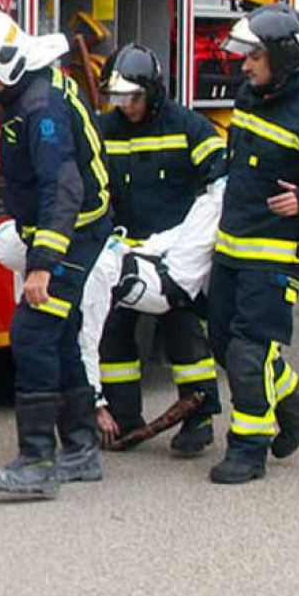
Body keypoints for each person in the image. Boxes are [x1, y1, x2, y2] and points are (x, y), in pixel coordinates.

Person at [0, 11, 109, 497]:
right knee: (57, 337)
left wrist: (42, 264)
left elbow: (64, 189)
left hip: (73, 232)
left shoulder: (40, 109)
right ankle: (80, 450)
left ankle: (37, 461)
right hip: (71, 229)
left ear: (5, 65)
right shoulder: (31, 92)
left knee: (33, 332)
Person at [204, 4, 299, 484]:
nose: (245, 64)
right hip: (233, 244)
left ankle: (248, 450)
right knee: (221, 340)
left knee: (249, 352)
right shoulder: (249, 97)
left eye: (254, 55)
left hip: (276, 255)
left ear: (280, 56)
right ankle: (297, 401)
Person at [93, 44, 225, 456]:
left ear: (153, 91)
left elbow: (220, 179)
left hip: (173, 257)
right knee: (113, 337)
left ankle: (198, 420)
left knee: (184, 335)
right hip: (123, 252)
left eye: (132, 97)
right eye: (118, 98)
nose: (125, 106)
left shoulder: (188, 126)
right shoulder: (105, 130)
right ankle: (123, 418)